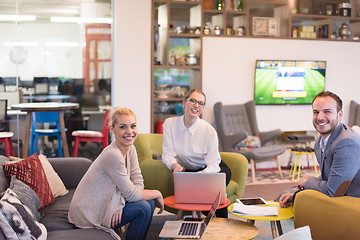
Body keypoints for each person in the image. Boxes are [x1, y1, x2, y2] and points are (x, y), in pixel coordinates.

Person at [68, 107, 164, 240]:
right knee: (143, 208)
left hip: (106, 202)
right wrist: (157, 193)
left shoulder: (130, 149)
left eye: (133, 126)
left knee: (149, 202)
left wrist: (120, 203)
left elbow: (137, 180)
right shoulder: (113, 154)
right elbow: (131, 194)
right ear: (112, 129)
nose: (129, 132)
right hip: (89, 212)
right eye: (123, 127)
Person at [279, 91, 360, 208]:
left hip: (350, 204)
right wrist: (296, 194)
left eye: (327, 111)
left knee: (295, 201)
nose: (320, 117)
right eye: (316, 112)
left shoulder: (346, 142)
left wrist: (307, 182)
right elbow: (327, 179)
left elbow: (332, 191)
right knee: (286, 195)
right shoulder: (320, 142)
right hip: (336, 196)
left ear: (340, 114)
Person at [161, 89, 231, 217]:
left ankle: (221, 229)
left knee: (215, 194)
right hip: (189, 170)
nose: (196, 105)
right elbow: (167, 154)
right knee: (203, 195)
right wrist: (174, 165)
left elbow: (214, 163)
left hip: (212, 169)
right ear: (184, 102)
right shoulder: (170, 124)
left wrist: (202, 176)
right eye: (192, 100)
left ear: (203, 107)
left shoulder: (209, 131)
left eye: (201, 103)